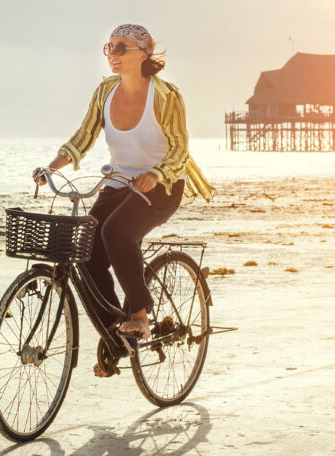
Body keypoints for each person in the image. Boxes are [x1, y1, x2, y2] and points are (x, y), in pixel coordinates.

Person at [35, 24, 215, 378]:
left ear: (143, 54)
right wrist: (50, 166)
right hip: (119, 182)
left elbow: (179, 148)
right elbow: (84, 136)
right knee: (85, 249)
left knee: (116, 232)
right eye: (109, 47)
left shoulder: (166, 95)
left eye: (121, 47)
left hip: (162, 186)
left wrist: (157, 174)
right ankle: (118, 340)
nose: (113, 54)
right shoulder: (105, 91)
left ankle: (140, 314)